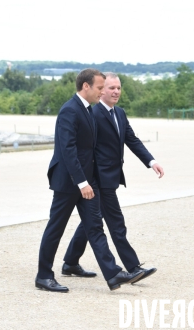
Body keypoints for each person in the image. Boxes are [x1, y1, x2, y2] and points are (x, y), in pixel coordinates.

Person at [36, 69, 144, 292]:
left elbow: (90, 152)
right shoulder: (69, 111)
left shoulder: (87, 110)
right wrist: (82, 182)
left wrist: (91, 181)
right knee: (55, 228)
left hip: (87, 182)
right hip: (68, 183)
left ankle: (113, 274)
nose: (103, 91)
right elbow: (68, 150)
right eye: (100, 87)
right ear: (86, 86)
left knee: (95, 227)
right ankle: (43, 276)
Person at [62, 72, 164, 283]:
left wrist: (151, 162)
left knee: (91, 222)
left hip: (111, 177)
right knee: (116, 223)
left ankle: (70, 262)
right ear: (100, 90)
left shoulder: (120, 113)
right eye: (110, 88)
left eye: (118, 88)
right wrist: (85, 179)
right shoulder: (94, 114)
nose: (116, 91)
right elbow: (85, 149)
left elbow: (132, 140)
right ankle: (133, 267)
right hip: (99, 179)